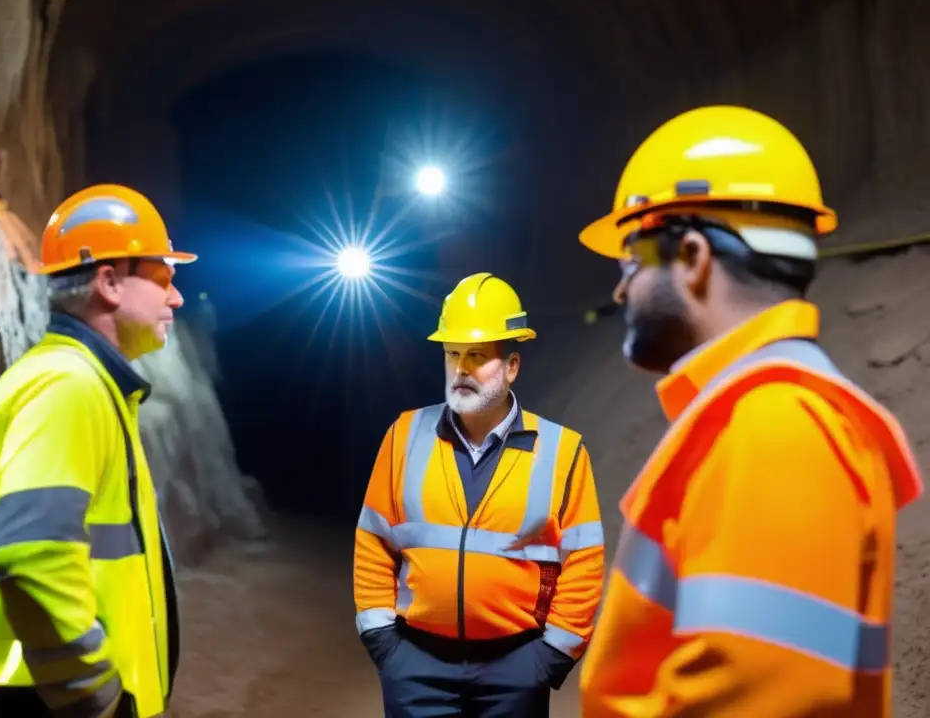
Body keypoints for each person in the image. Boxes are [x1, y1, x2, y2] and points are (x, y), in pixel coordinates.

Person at [576, 105, 924, 716]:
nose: (620, 289)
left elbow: (753, 698)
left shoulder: (776, 429)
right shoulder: (754, 419)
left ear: (690, 257)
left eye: (632, 260)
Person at [0, 183, 196, 717]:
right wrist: (94, 694)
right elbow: (34, 554)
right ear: (109, 282)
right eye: (163, 276)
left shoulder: (89, 383)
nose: (175, 296)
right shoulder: (67, 386)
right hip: (51, 702)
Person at [354, 272, 605, 717]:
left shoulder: (562, 450)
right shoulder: (405, 435)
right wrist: (383, 642)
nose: (461, 369)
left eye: (477, 356)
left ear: (512, 365)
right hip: (415, 663)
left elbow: (583, 562)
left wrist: (549, 658)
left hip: (516, 666)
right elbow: (373, 541)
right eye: (452, 355)